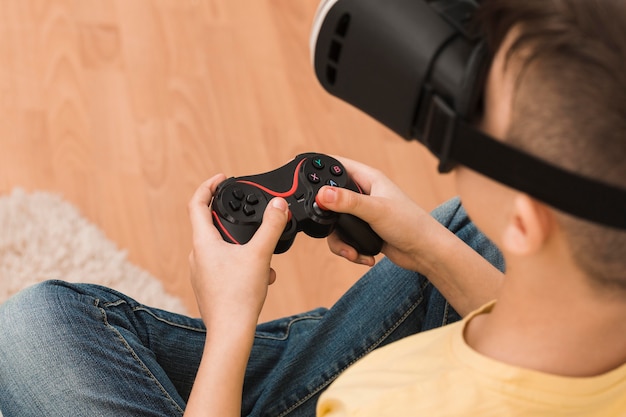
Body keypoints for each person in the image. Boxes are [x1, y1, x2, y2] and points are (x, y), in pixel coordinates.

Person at [0, 0, 624, 415]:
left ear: (525, 217)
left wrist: (229, 327)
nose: (460, 110)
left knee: (33, 332)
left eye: (480, 109)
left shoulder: (378, 405)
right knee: (464, 233)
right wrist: (429, 248)